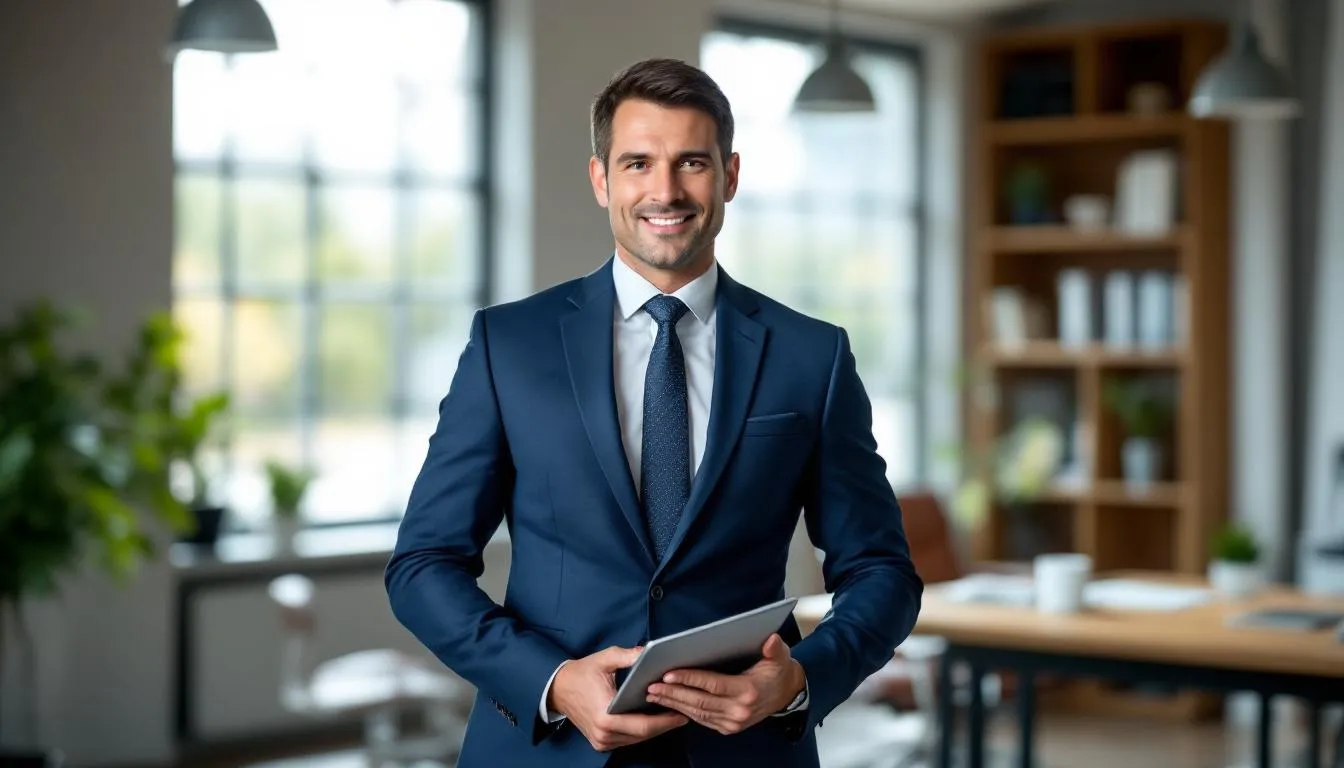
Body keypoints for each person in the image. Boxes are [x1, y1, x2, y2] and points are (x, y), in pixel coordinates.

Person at [385, 57, 923, 768]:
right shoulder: (507, 346)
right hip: (546, 748)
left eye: (690, 162)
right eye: (638, 163)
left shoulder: (811, 357)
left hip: (745, 751)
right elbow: (423, 564)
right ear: (601, 179)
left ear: (729, 176)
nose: (665, 190)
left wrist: (801, 678)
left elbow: (881, 570)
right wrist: (548, 680)